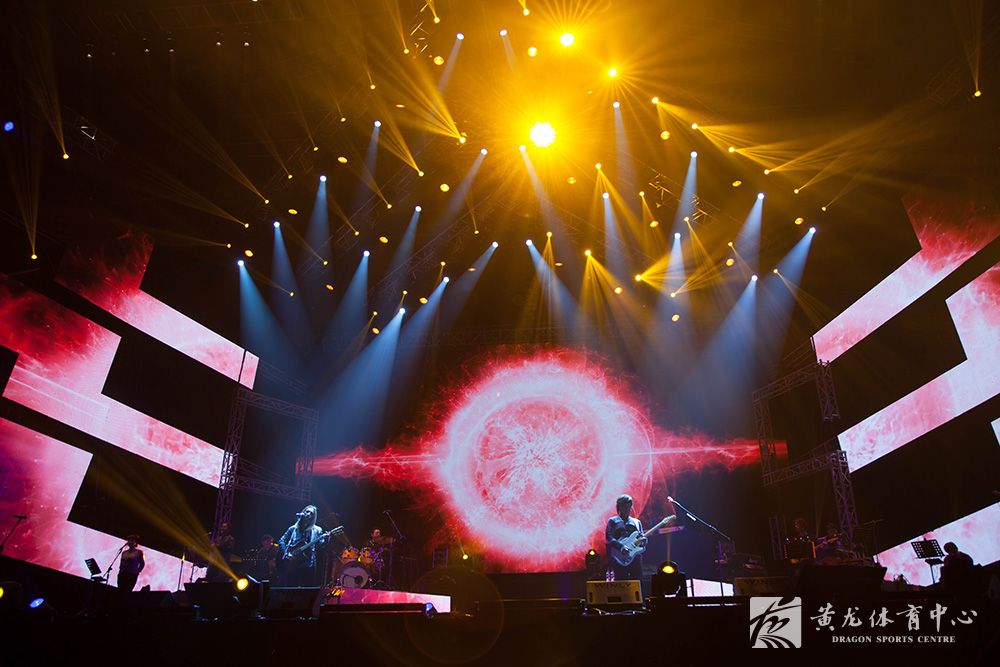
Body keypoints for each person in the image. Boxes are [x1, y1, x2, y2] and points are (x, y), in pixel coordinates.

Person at [279, 505, 327, 587]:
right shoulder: (293, 529)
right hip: (292, 562)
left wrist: (326, 539)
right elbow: (282, 541)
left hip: (308, 563)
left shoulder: (317, 530)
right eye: (307, 511)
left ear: (313, 517)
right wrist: (286, 553)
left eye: (311, 513)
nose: (308, 514)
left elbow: (321, 545)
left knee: (307, 588)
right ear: (303, 512)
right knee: (291, 587)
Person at [605, 495, 644, 582]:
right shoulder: (613, 521)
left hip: (635, 557)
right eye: (624, 506)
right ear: (619, 507)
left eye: (629, 506)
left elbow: (641, 537)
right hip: (619, 557)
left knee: (637, 582)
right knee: (621, 581)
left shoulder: (637, 522)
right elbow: (609, 537)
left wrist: (643, 542)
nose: (627, 509)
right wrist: (621, 547)